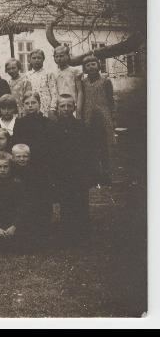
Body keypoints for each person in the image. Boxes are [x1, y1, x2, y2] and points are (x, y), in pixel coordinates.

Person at [52, 94, 97, 245]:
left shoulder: (81, 126)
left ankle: (83, 235)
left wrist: (88, 173)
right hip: (62, 173)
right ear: (57, 108)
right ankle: (67, 235)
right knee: (66, 203)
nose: (66, 109)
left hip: (79, 172)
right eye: (62, 106)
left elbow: (89, 151)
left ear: (74, 107)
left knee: (81, 203)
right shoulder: (53, 128)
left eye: (69, 106)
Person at [79, 53, 116, 186]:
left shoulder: (105, 81)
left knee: (104, 148)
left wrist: (112, 117)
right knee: (91, 148)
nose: (91, 67)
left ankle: (106, 175)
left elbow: (111, 100)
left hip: (103, 119)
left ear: (98, 65)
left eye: (93, 64)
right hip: (89, 119)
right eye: (87, 65)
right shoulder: (83, 82)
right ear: (84, 68)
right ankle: (94, 176)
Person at [11, 143, 50, 249]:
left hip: (31, 203)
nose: (22, 159)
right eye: (18, 157)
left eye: (25, 156)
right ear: (13, 157)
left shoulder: (35, 172)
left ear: (29, 157)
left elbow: (38, 193)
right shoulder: (10, 171)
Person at [12, 92, 53, 173]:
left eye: (33, 103)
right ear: (23, 106)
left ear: (39, 104)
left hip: (43, 162)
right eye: (27, 103)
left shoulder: (47, 122)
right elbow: (16, 142)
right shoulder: (19, 123)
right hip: (24, 161)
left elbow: (49, 144)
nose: (30, 105)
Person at [25, 49, 57, 118]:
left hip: (46, 107)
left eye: (39, 58)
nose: (37, 60)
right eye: (34, 58)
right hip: (32, 106)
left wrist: (52, 108)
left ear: (43, 59)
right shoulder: (27, 75)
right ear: (30, 60)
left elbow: (54, 92)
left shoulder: (48, 74)